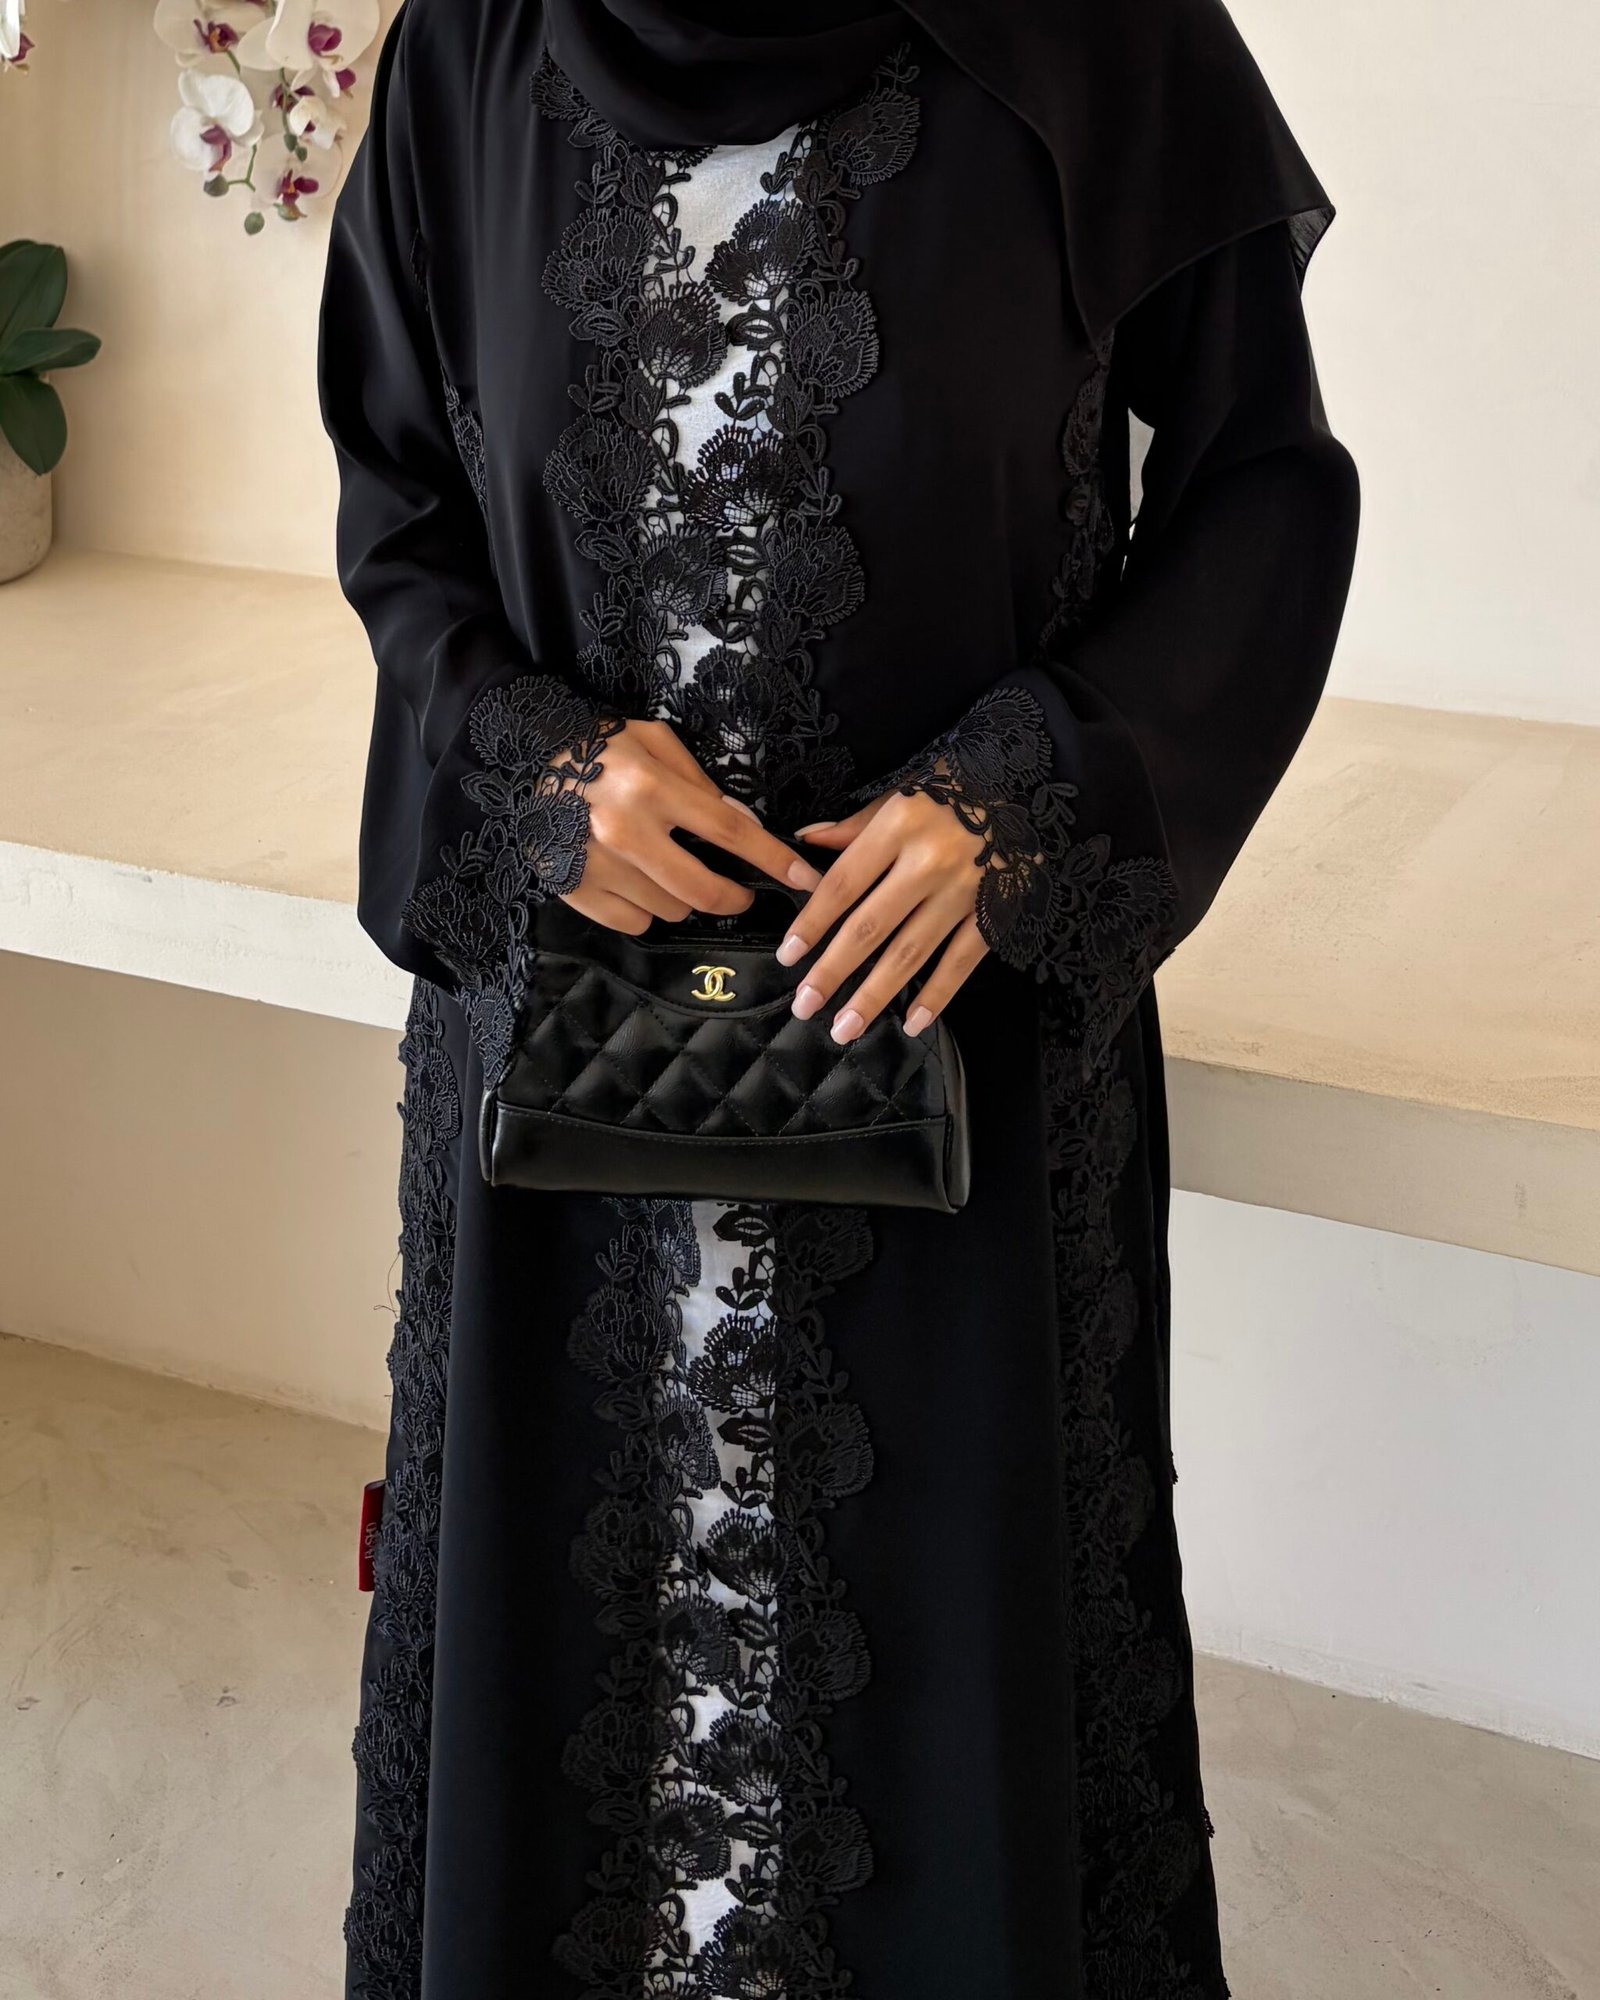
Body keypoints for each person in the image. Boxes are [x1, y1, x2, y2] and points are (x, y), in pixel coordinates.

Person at [317, 0, 1360, 1993]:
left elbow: (1263, 490)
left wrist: (1025, 795)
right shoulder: (472, 48)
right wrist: (537, 764)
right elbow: (399, 505)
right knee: (571, 1702)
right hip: (566, 1089)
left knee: (947, 1730)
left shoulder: (1102, 42)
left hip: (951, 1066)